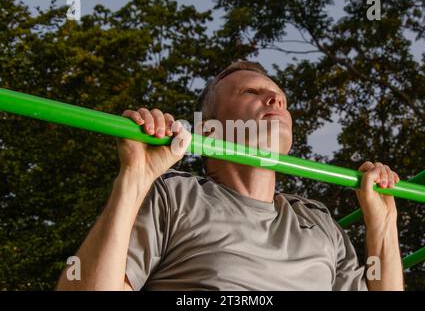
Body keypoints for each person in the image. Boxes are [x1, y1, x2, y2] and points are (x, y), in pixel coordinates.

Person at [56, 61, 403, 291]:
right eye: (251, 93)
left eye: (280, 97)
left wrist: (384, 222)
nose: (276, 100)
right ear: (209, 130)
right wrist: (134, 177)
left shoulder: (318, 220)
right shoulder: (175, 196)